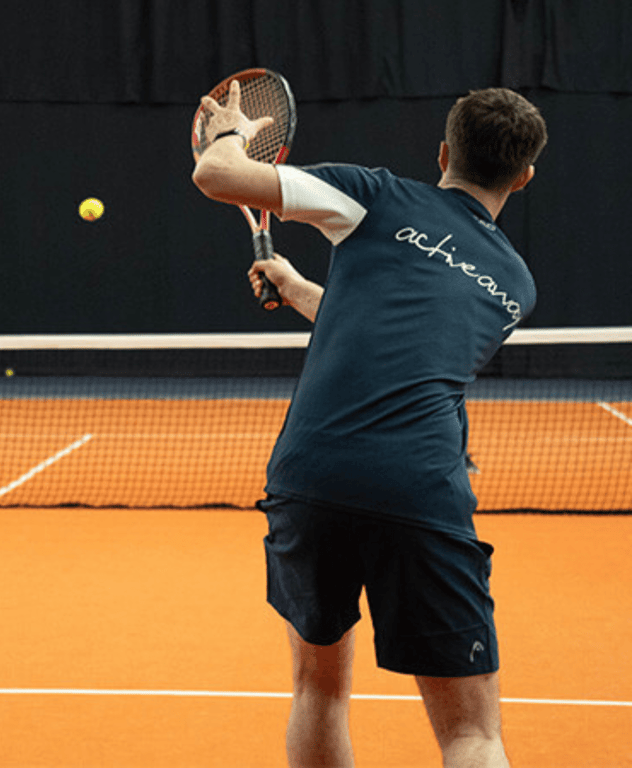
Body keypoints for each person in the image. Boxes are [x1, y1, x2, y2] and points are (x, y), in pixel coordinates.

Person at [193, 85, 547, 767]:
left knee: (318, 693)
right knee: (473, 735)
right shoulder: (516, 285)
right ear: (524, 177)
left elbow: (216, 174)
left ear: (442, 151)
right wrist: (298, 287)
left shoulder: (376, 195)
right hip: (421, 487)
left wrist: (231, 132)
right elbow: (405, 336)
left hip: (311, 476)